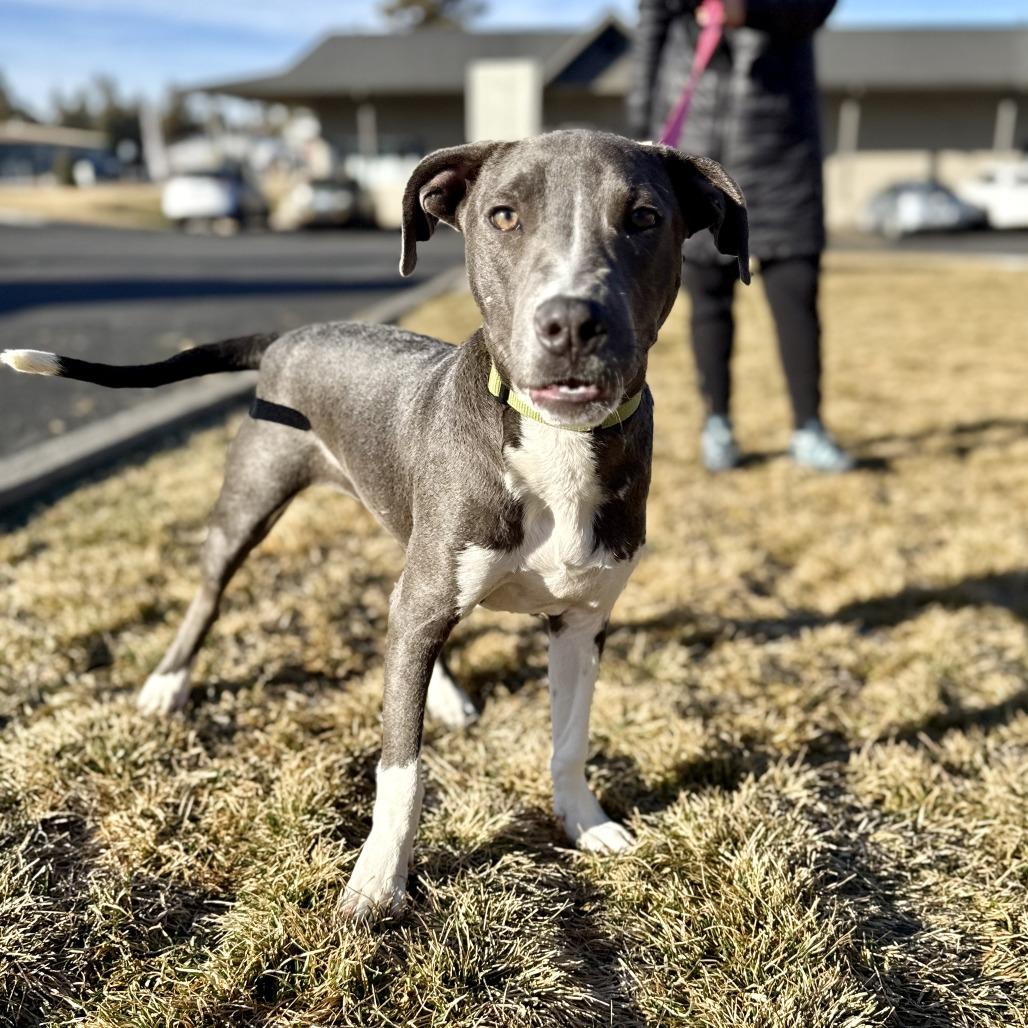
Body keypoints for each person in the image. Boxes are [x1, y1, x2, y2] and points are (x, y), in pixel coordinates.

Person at [629, 0, 853, 472]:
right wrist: (640, 134)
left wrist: (748, 8)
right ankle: (718, 425)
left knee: (796, 295)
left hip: (782, 145)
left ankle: (808, 428)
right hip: (694, 140)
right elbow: (651, 28)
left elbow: (811, 10)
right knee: (707, 298)